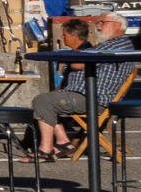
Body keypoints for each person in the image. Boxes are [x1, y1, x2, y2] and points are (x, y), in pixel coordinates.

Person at [28, 18, 96, 158]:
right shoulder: (76, 52)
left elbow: (79, 64)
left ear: (74, 35)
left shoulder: (88, 51)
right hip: (70, 93)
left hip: (82, 96)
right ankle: (63, 142)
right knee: (43, 101)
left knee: (43, 102)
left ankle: (49, 148)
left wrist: (66, 57)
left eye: (64, 35)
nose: (62, 37)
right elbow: (64, 83)